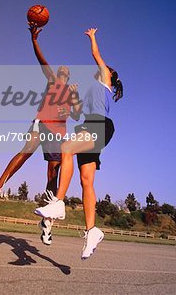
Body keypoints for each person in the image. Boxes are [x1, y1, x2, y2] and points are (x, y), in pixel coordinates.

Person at [0, 24, 81, 245]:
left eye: (66, 72)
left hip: (59, 133)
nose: (63, 73)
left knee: (52, 176)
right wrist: (34, 40)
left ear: (69, 76)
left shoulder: (72, 93)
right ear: (59, 74)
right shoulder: (52, 82)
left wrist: (73, 102)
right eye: (61, 71)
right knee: (26, 151)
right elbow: (42, 61)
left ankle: (47, 220)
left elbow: (76, 115)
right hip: (42, 124)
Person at [34, 28, 123, 259]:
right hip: (89, 126)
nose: (102, 68)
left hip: (99, 125)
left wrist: (93, 37)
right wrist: (72, 99)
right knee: (86, 181)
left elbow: (96, 55)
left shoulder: (104, 79)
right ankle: (92, 231)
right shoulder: (94, 89)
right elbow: (77, 113)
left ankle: (59, 202)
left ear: (109, 76)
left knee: (66, 148)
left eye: (105, 68)